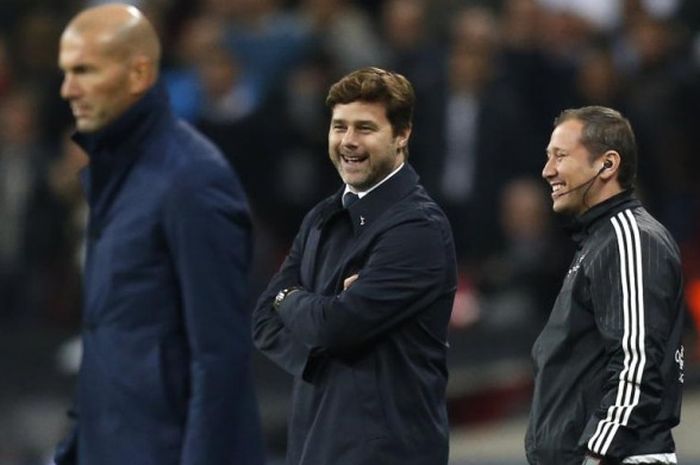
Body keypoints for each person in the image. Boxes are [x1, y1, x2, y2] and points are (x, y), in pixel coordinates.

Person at [54, 4, 264, 465]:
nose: (68, 89)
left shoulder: (191, 179)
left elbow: (219, 355)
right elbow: (117, 338)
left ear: (138, 74)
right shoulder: (117, 177)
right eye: (67, 72)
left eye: (85, 70)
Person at [252, 67, 457, 465]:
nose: (348, 142)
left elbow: (334, 326)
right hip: (314, 443)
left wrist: (296, 303)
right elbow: (263, 320)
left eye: (365, 128)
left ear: (402, 135)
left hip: (387, 451)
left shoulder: (417, 228)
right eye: (339, 127)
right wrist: (320, 339)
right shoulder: (321, 216)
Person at [525, 106, 685, 465]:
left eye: (560, 156)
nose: (547, 170)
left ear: (607, 165)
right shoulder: (599, 241)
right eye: (548, 157)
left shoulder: (630, 238)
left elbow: (637, 361)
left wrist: (597, 453)